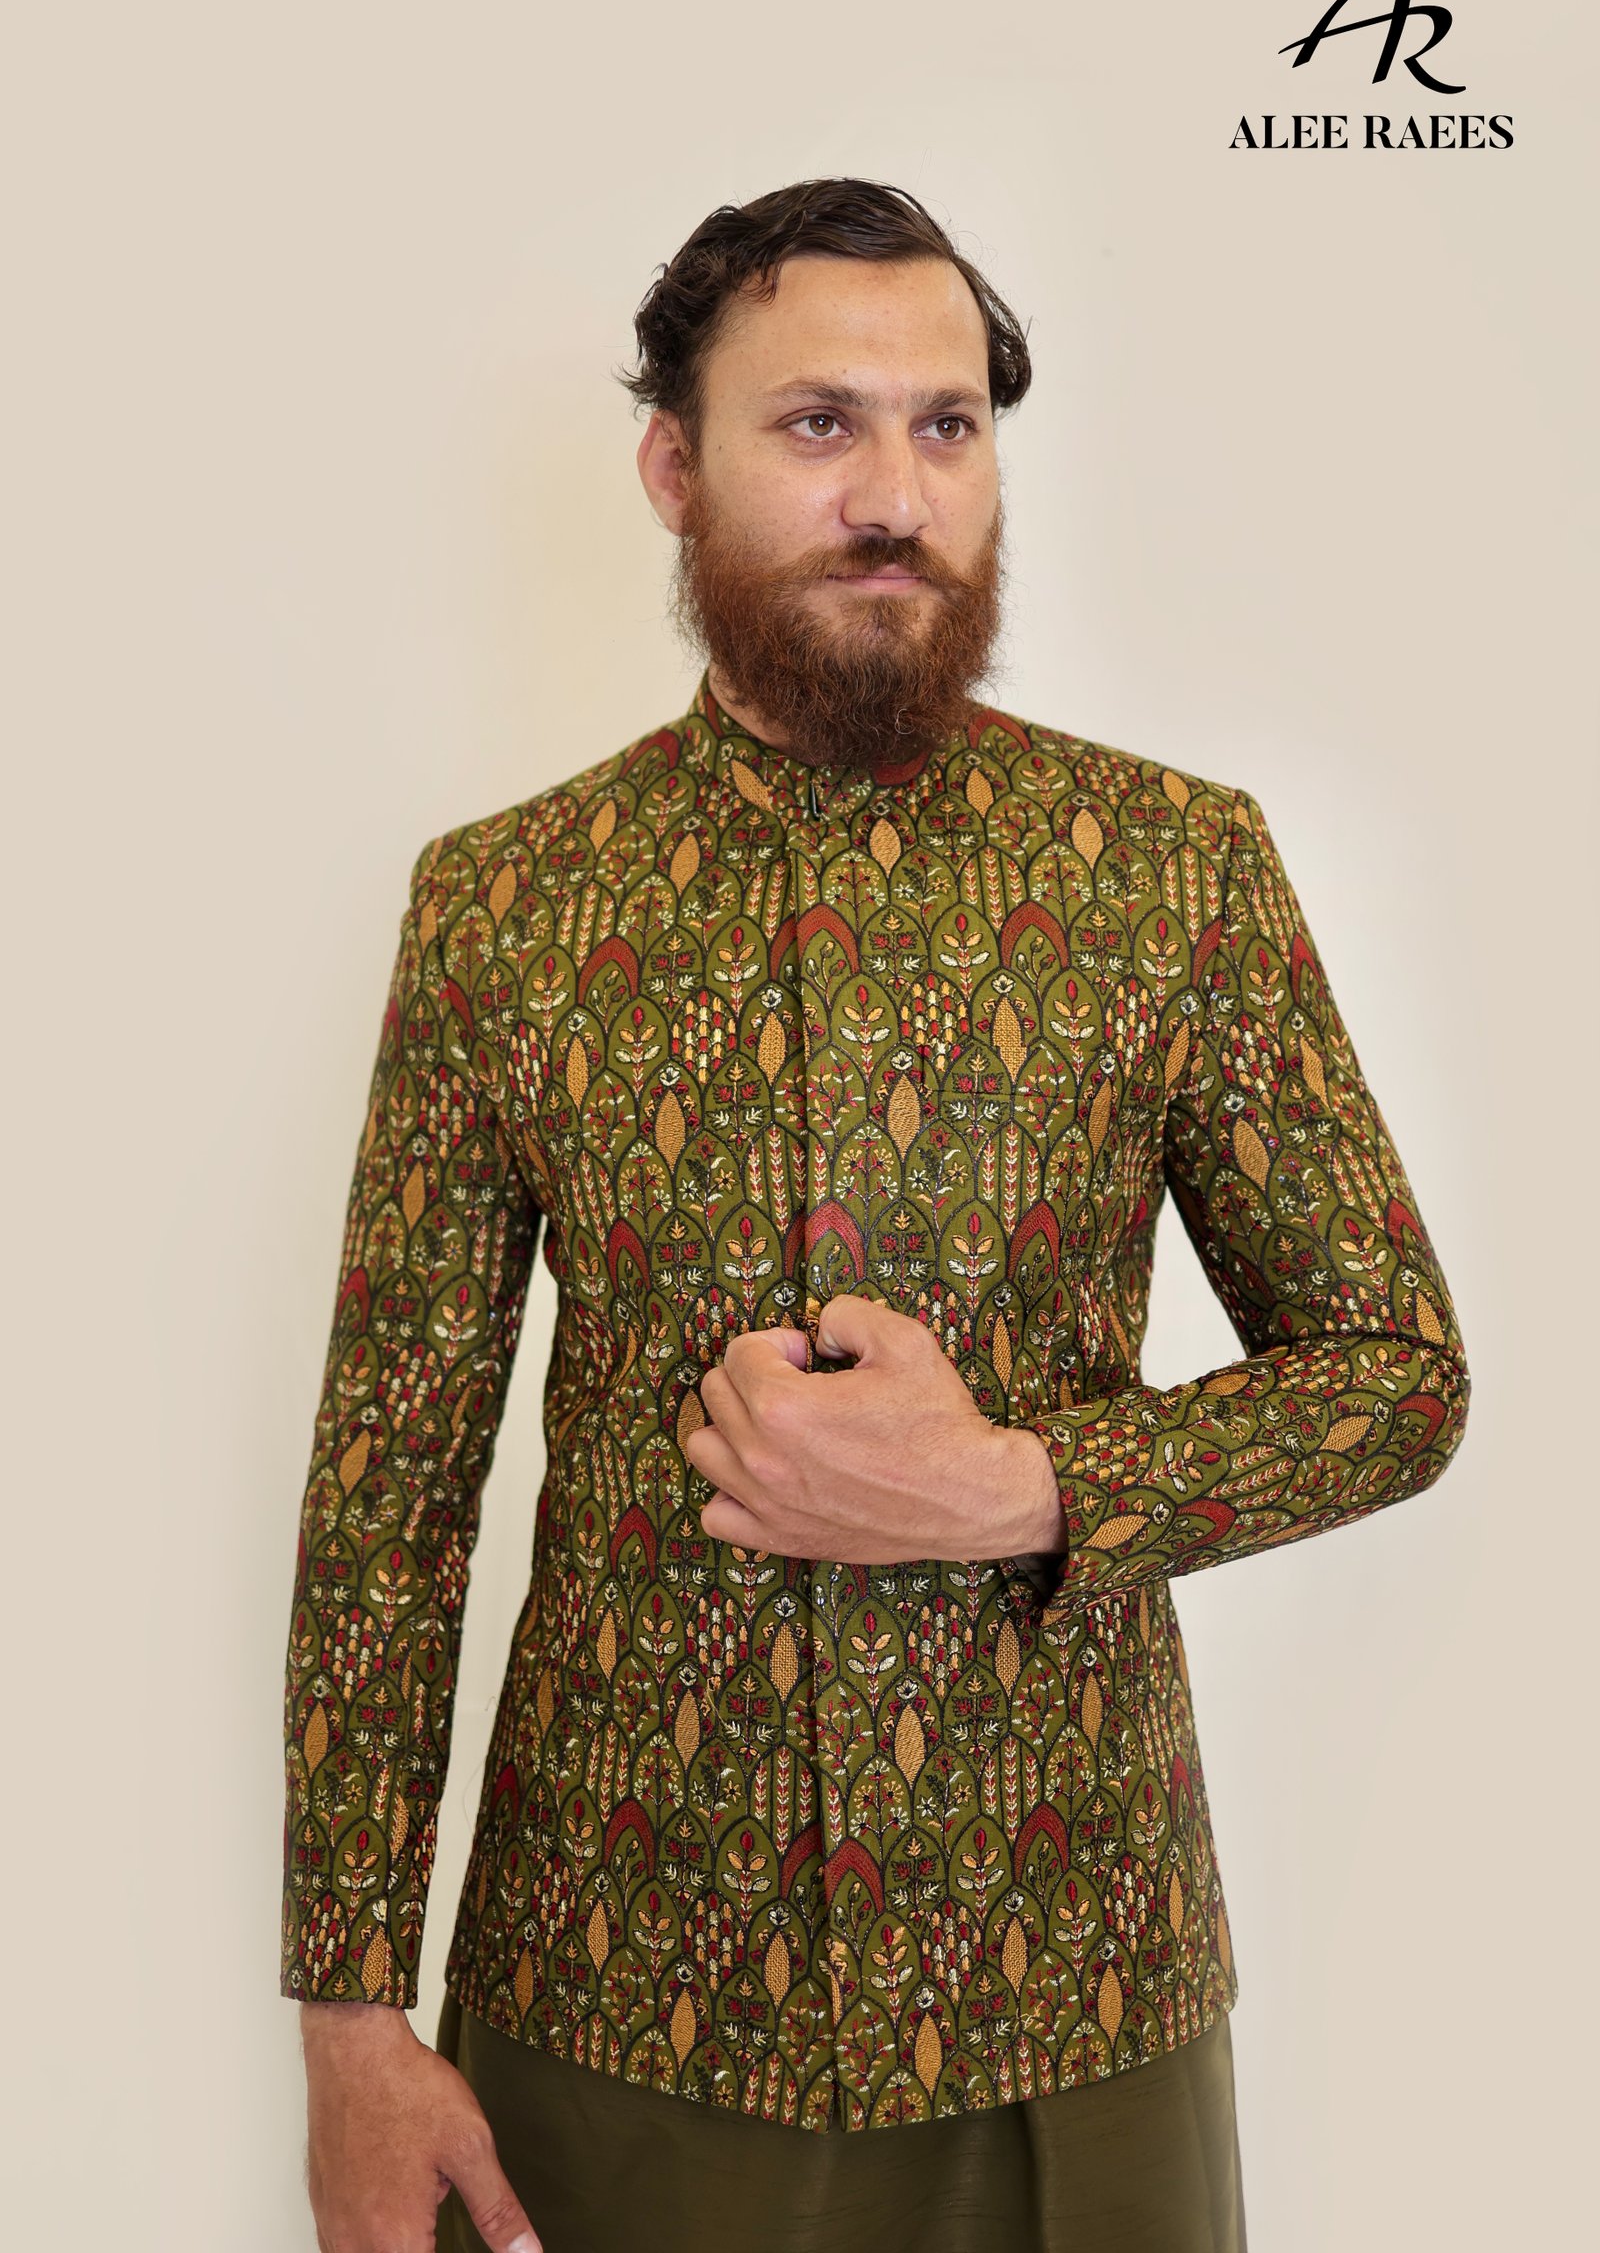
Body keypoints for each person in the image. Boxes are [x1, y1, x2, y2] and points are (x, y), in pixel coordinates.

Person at [282, 179, 1471, 2253]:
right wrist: (349, 2022)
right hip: (616, 2004)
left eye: (947, 427)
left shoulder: (1168, 870)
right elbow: (392, 1489)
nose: (894, 497)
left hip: (1074, 1986)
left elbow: (1396, 1379)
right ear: (675, 469)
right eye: (816, 424)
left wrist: (1024, 1488)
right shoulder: (503, 909)